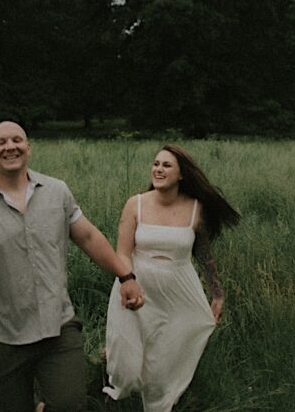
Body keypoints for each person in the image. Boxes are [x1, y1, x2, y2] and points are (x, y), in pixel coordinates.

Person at [0, 121, 145, 412]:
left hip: (58, 327)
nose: (10, 146)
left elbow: (88, 236)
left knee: (70, 405)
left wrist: (126, 275)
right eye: (1, 142)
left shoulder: (56, 192)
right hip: (2, 335)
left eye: (17, 140)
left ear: (28, 148)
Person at [102, 144, 240, 411]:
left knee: (163, 361)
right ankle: (111, 382)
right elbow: (122, 253)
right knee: (126, 368)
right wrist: (128, 281)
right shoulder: (135, 204)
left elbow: (204, 256)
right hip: (136, 286)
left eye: (166, 165)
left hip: (178, 290)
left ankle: (159, 404)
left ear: (181, 175)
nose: (158, 169)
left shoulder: (195, 209)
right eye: (155, 164)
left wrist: (218, 294)